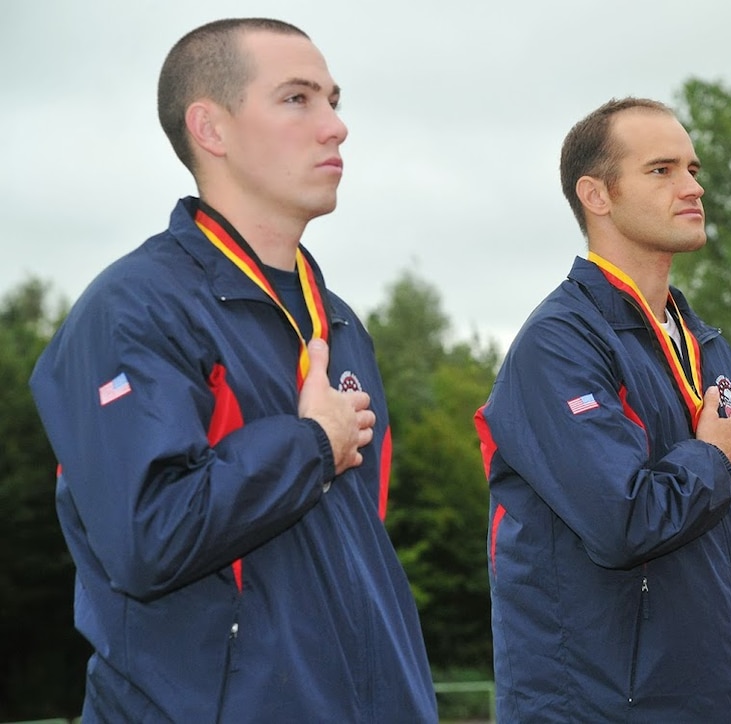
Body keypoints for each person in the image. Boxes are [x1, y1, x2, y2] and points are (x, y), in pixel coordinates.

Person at [30, 18, 437, 723]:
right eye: (297, 99)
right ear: (210, 129)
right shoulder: (130, 312)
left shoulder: (338, 325)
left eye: (334, 101)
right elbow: (147, 539)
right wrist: (310, 445)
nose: (335, 127)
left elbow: (354, 551)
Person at [473, 97, 731, 722]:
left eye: (693, 169)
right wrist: (712, 458)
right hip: (606, 706)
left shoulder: (706, 345)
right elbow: (623, 522)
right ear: (597, 195)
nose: (693, 187)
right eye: (662, 171)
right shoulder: (559, 343)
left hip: (715, 698)